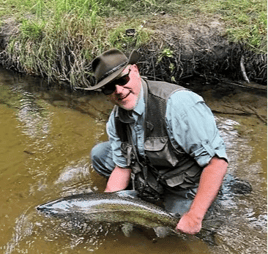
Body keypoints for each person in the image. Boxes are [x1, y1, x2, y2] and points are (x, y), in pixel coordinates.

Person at [85, 48, 228, 235]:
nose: (118, 91)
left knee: (165, 232)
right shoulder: (116, 119)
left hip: (186, 183)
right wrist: (106, 206)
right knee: (100, 154)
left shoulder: (178, 105)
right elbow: (122, 167)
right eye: (108, 87)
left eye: (122, 80)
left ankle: (216, 193)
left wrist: (194, 216)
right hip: (153, 173)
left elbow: (217, 163)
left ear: (135, 70)